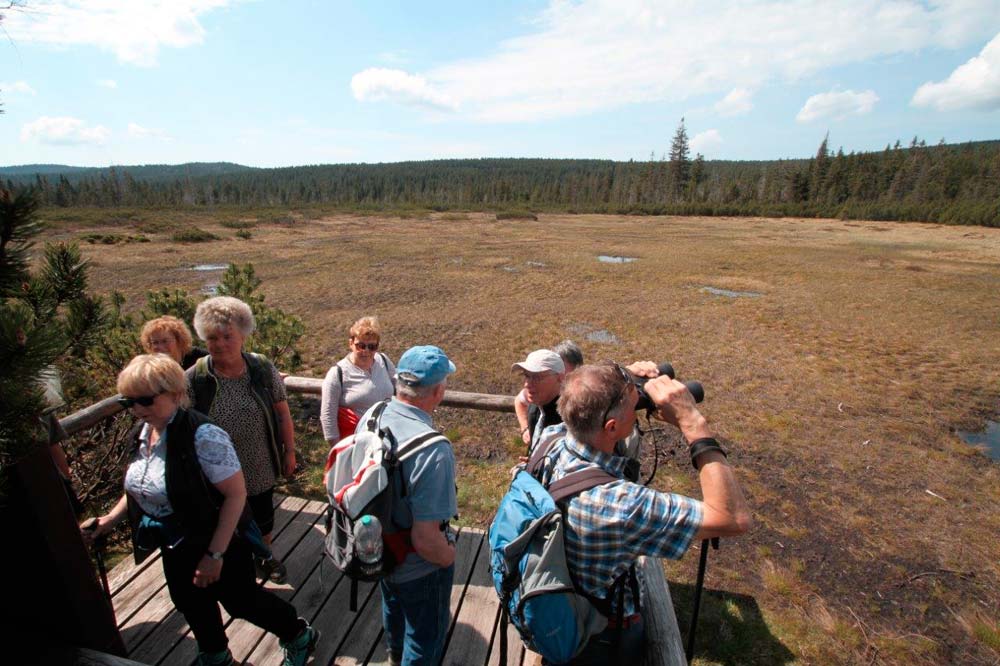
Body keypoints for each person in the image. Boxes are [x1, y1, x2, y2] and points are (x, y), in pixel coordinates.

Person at [80, 354, 318, 666]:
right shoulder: (143, 433)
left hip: (218, 537)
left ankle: (298, 634)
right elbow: (144, 483)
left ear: (176, 394)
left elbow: (235, 495)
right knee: (191, 601)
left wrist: (214, 555)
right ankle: (215, 655)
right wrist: (110, 519)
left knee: (241, 600)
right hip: (174, 540)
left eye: (146, 400)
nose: (137, 409)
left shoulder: (203, 435)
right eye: (129, 401)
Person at [536, 362, 751, 664]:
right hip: (600, 634)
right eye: (632, 407)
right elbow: (732, 518)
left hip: (559, 600)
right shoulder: (620, 506)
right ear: (612, 428)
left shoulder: (551, 438)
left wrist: (625, 376)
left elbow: (587, 397)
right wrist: (693, 423)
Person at [357, 345, 457, 666]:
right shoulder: (434, 450)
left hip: (380, 548)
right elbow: (426, 540)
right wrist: (449, 556)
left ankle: (394, 654)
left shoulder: (373, 414)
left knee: (393, 605)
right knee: (425, 637)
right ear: (438, 391)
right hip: (418, 565)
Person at [186, 296, 294, 584]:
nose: (220, 343)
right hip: (216, 474)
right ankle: (238, 571)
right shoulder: (195, 378)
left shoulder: (261, 368)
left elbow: (283, 413)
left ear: (243, 335)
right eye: (212, 337)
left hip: (259, 464)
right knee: (226, 524)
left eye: (227, 336)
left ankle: (263, 557)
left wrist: (289, 452)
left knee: (263, 520)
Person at [320, 316, 396, 445]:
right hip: (357, 443)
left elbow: (397, 386)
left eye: (372, 346)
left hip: (387, 439)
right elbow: (328, 416)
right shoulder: (338, 373)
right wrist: (338, 450)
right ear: (351, 343)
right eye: (361, 345)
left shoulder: (383, 361)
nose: (366, 351)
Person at [513, 341, 583, 448]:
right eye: (526, 375)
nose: (526, 384)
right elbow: (519, 401)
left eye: (537, 377)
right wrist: (525, 428)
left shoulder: (576, 414)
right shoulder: (536, 396)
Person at [141, 315, 209, 370]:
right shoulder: (152, 369)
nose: (160, 346)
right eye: (155, 342)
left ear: (179, 340)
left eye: (165, 341)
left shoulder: (201, 358)